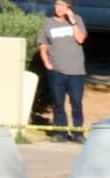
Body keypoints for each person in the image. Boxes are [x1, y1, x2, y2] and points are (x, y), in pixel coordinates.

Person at [39, 0, 88, 143]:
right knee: (58, 102)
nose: (58, 8)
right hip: (56, 71)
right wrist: (47, 63)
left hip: (76, 71)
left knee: (76, 102)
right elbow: (43, 46)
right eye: (56, 4)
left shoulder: (77, 20)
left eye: (62, 5)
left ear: (69, 8)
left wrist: (72, 20)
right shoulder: (48, 23)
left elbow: (80, 39)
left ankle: (78, 133)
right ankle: (60, 132)